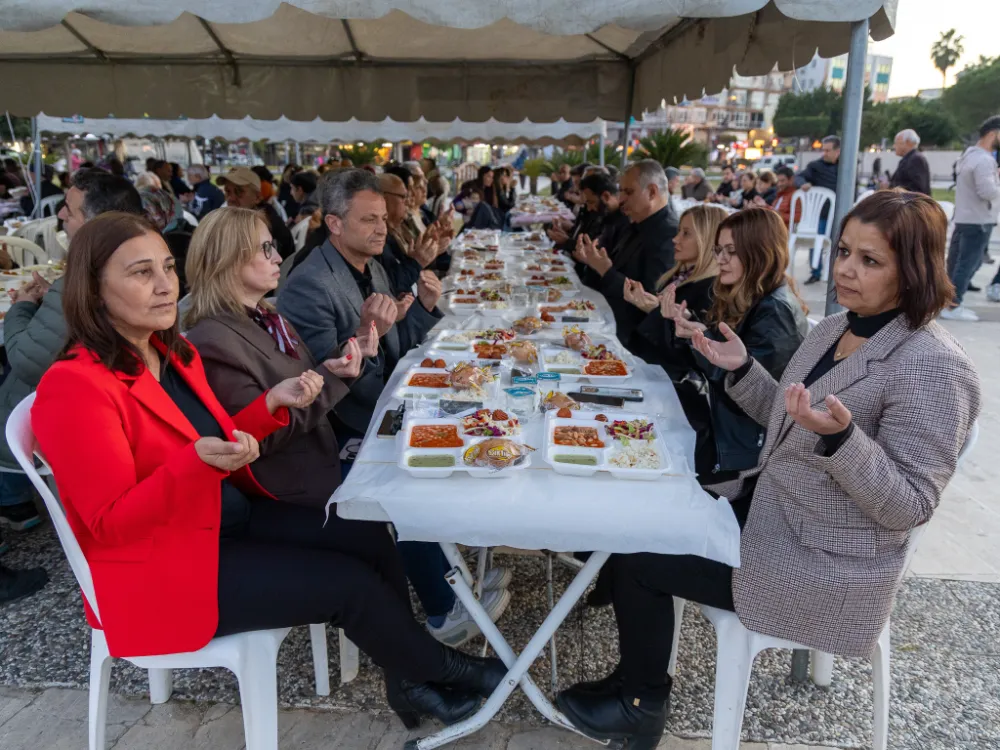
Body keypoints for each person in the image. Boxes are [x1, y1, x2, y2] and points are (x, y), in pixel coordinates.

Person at [31, 211, 506, 725]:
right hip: (165, 571)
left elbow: (219, 440)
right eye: (141, 273)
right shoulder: (75, 386)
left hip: (220, 519)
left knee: (366, 535)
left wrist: (270, 405)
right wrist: (193, 466)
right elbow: (107, 523)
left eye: (167, 267)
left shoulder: (171, 354)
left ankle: (410, 681)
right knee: (349, 585)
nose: (166, 285)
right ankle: (446, 669)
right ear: (94, 289)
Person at [556, 191, 980, 748]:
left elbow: (910, 504)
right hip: (772, 515)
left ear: (916, 269)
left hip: (823, 564)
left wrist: (843, 439)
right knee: (640, 522)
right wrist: (743, 370)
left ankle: (641, 705)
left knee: (641, 557)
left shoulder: (935, 366)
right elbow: (789, 420)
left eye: (870, 260)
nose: (845, 270)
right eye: (844, 251)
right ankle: (630, 683)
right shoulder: (836, 329)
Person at [278, 170, 510, 645]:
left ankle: (457, 578)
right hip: (337, 429)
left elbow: (398, 345)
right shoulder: (310, 284)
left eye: (383, 218)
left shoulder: (372, 266)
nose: (382, 228)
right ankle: (444, 610)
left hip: (384, 401)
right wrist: (366, 335)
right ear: (334, 224)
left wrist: (421, 307)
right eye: (369, 219)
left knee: (480, 416)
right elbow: (332, 383)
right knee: (416, 471)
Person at [0, 171, 142, 603]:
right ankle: (14, 503)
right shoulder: (125, 260)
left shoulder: (88, 274)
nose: (61, 215)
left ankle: (12, 500)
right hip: (100, 405)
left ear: (96, 221)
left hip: (63, 415)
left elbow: (27, 359)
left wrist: (23, 308)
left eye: (70, 209)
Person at [183, 206, 376, 508]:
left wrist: (342, 362)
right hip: (291, 490)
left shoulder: (266, 315)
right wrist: (330, 377)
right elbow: (257, 440)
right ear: (229, 259)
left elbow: (302, 381)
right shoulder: (212, 341)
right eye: (265, 248)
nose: (277, 257)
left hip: (319, 459)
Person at [660, 208, 809, 483]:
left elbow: (750, 395)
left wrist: (702, 339)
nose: (721, 259)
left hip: (739, 454)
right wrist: (692, 329)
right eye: (718, 250)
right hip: (723, 430)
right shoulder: (747, 293)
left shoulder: (775, 311)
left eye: (732, 251)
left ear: (760, 253)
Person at [574, 160, 678, 342]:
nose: (621, 199)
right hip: (604, 318)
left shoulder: (669, 235)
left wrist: (605, 270)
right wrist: (594, 261)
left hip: (631, 339)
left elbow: (648, 298)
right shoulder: (635, 222)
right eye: (620, 191)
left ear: (652, 192)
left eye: (628, 192)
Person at [625, 205, 727, 378]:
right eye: (679, 231)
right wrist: (644, 304)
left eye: (686, 233)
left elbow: (684, 356)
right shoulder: (679, 276)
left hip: (666, 381)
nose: (675, 239)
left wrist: (655, 311)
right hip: (645, 367)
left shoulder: (710, 290)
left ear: (706, 239)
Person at [943, 116, 1000, 318]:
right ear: (993, 134)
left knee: (957, 263)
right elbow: (987, 192)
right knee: (968, 265)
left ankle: (947, 302)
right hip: (978, 220)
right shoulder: (985, 160)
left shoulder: (968, 155)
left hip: (964, 217)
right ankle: (953, 306)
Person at [217, 167, 294, 261]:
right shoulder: (243, 219)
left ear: (257, 197)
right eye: (228, 192)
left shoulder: (263, 225)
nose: (231, 198)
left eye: (239, 192)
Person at [796, 135, 841, 284]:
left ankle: (836, 273)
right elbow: (799, 178)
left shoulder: (845, 167)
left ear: (837, 151)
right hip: (821, 213)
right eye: (824, 150)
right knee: (816, 242)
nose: (825, 153)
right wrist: (803, 184)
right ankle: (815, 271)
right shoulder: (815, 166)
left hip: (841, 212)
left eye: (828, 150)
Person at [887, 130, 931, 196]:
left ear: (908, 142)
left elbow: (918, 190)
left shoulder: (916, 159)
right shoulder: (909, 159)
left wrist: (894, 190)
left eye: (896, 143)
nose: (894, 146)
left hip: (911, 202)